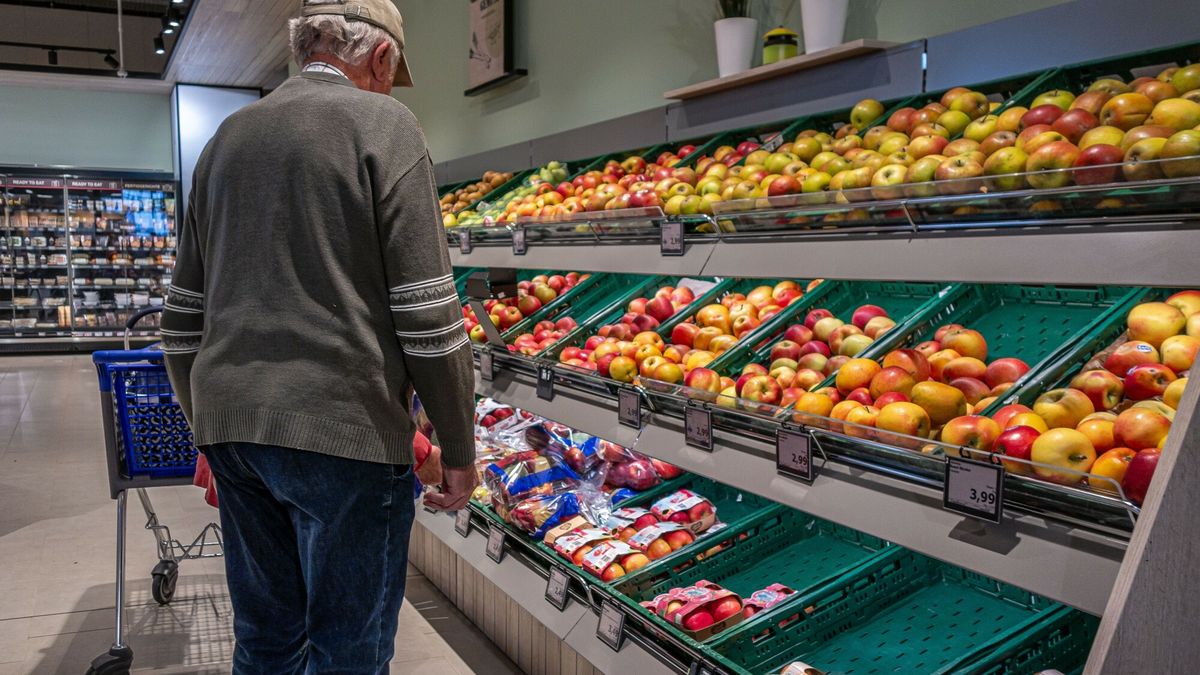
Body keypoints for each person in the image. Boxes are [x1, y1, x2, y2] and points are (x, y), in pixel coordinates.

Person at [161, 2, 478, 672]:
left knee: (266, 639)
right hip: (347, 435)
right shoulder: (386, 125)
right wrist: (457, 445)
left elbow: (180, 319)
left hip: (234, 433)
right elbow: (429, 315)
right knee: (347, 650)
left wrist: (208, 426)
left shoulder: (225, 138)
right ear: (381, 58)